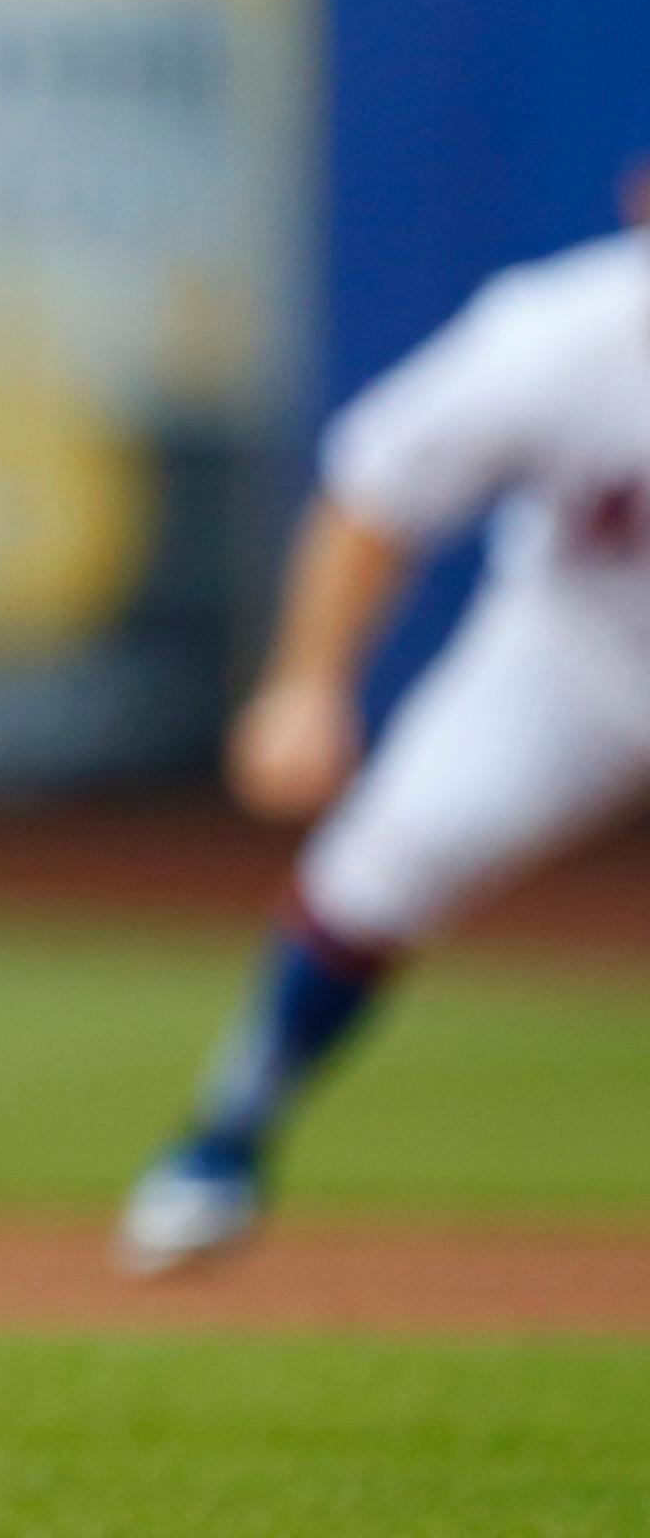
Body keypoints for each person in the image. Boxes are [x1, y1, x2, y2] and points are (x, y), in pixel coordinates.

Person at [120, 162, 650, 1274]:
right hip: (579, 662)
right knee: (395, 853)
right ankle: (223, 1138)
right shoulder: (567, 333)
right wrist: (306, 682)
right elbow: (376, 489)